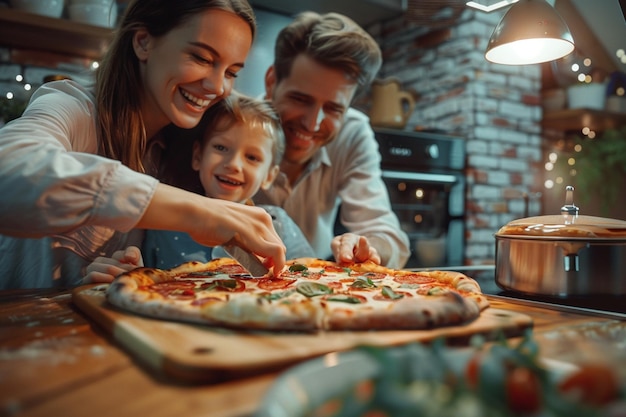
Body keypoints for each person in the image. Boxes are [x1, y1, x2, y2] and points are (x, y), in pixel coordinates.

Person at [0, 0, 287, 289]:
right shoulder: (72, 107)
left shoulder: (177, 149)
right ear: (143, 42)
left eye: (231, 72)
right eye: (202, 58)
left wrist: (128, 274)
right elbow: (8, 172)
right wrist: (200, 213)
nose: (218, 87)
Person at [84, 93, 313, 280]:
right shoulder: (167, 219)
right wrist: (132, 272)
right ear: (197, 156)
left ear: (269, 176)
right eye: (221, 148)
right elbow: (147, 276)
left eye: (252, 157)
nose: (233, 164)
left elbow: (311, 278)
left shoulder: (278, 224)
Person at [254, 11, 411, 269]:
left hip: (318, 290)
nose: (313, 123)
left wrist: (366, 247)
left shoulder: (353, 133)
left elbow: (387, 236)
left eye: (334, 109)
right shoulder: (227, 123)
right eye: (300, 99)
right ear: (272, 82)